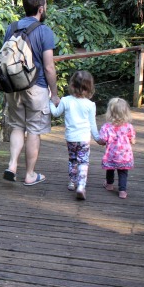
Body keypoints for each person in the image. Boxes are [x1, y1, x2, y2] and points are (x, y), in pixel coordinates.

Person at [2, 0, 60, 186]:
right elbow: (49, 66)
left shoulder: (12, 28)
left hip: (14, 86)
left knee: (18, 126)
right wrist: (55, 94)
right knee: (34, 130)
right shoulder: (44, 31)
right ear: (41, 8)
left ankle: (12, 165)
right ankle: (30, 175)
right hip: (37, 86)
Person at [49, 70, 104, 200]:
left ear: (72, 85)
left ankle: (72, 182)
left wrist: (51, 102)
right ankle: (81, 185)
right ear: (90, 87)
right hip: (84, 139)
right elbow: (92, 124)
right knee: (83, 161)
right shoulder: (91, 105)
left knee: (73, 160)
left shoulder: (66, 100)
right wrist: (98, 138)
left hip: (71, 138)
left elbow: (55, 113)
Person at [100, 98, 136, 199]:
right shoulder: (129, 126)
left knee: (110, 168)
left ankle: (109, 184)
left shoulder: (106, 127)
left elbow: (102, 140)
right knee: (123, 172)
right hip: (124, 155)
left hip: (111, 154)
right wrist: (131, 141)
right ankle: (122, 191)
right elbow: (132, 140)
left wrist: (104, 142)